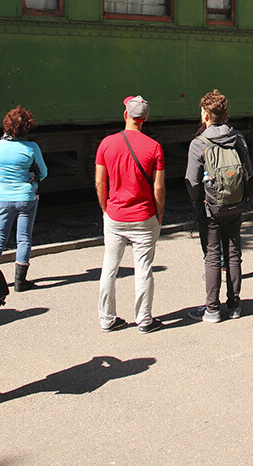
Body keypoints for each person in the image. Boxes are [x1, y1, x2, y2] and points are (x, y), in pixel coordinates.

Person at [95, 95, 166, 334]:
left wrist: (106, 209)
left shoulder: (106, 144)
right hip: (144, 217)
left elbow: (99, 182)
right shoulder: (154, 147)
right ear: (145, 118)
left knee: (109, 266)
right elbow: (158, 188)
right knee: (144, 268)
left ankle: (107, 319)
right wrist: (159, 215)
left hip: (115, 216)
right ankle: (144, 320)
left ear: (125, 115)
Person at [185, 90, 253, 323]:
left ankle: (212, 310)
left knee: (213, 256)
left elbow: (192, 181)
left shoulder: (198, 143)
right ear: (225, 115)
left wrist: (198, 203)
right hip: (236, 205)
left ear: (205, 115)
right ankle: (235, 306)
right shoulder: (238, 138)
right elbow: (249, 171)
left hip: (210, 207)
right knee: (233, 253)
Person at [0, 106, 49, 292]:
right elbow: (44, 173)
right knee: (23, 239)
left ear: (6, 125)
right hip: (26, 197)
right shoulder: (31, 148)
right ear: (27, 128)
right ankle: (20, 282)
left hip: (3, 197)